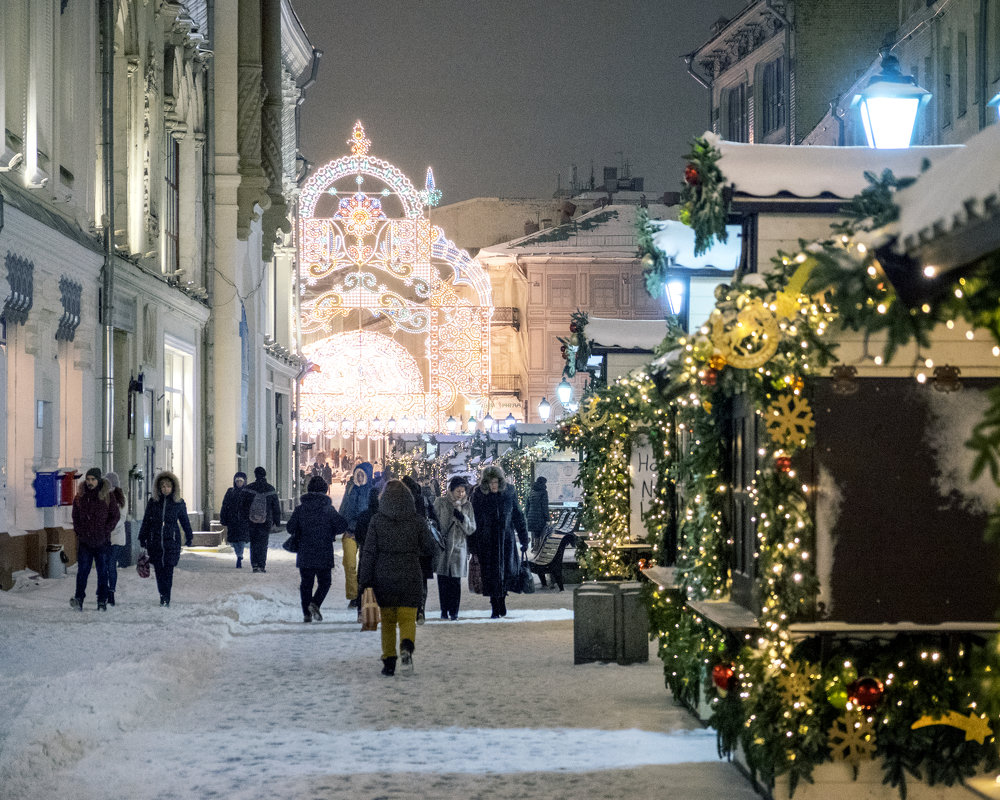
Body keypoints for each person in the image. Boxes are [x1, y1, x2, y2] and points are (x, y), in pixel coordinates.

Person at [358, 480, 437, 677]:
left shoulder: (377, 521)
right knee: (408, 617)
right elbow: (430, 548)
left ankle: (389, 661)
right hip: (410, 574)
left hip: (383, 576)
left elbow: (368, 553)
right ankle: (407, 646)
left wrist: (364, 580)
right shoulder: (417, 521)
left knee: (388, 621)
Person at [284, 476, 348, 623]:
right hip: (324, 551)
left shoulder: (301, 509)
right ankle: (315, 603)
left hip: (305, 551)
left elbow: (290, 528)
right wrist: (330, 531)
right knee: (325, 582)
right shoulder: (328, 509)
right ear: (325, 491)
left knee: (306, 583)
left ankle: (306, 613)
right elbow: (342, 525)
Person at [470, 465, 528, 619]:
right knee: (490, 575)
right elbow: (473, 520)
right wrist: (473, 544)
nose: (493, 485)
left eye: (495, 482)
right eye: (490, 482)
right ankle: (495, 605)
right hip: (486, 541)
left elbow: (518, 516)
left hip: (506, 541)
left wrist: (524, 538)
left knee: (505, 573)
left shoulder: (509, 492)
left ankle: (501, 600)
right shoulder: (478, 495)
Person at [138, 471, 193, 607]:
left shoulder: (178, 503)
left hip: (171, 541)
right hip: (155, 541)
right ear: (159, 488)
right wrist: (143, 536)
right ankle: (162, 593)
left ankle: (166, 596)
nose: (165, 489)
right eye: (163, 486)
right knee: (159, 570)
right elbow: (146, 520)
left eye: (168, 486)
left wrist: (189, 536)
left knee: (168, 570)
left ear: (173, 487)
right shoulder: (153, 502)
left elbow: (185, 520)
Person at [70, 467, 121, 611]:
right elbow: (75, 516)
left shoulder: (107, 496)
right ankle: (79, 598)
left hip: (102, 541)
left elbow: (115, 515)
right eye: (88, 479)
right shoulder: (80, 496)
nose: (90, 482)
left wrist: (106, 530)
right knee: (82, 571)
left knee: (102, 571)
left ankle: (102, 600)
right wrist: (79, 531)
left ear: (98, 480)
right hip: (85, 541)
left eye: (93, 479)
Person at [433, 476, 477, 620]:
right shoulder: (441, 502)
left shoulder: (467, 506)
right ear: (451, 490)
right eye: (458, 491)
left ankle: (454, 611)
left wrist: (462, 518)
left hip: (459, 547)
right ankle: (444, 610)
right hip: (443, 547)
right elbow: (435, 523)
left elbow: (471, 529)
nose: (461, 494)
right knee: (443, 580)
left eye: (463, 491)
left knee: (455, 582)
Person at [339, 462, 373, 607]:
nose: (359, 477)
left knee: (364, 566)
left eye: (362, 475)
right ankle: (353, 595)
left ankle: (361, 595)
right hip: (350, 531)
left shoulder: (372, 491)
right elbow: (344, 508)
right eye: (357, 474)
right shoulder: (350, 489)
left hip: (366, 533)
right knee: (349, 563)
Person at [239, 466, 282, 573]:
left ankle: (255, 564)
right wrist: (277, 521)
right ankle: (261, 565)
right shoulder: (270, 489)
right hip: (266, 520)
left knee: (254, 542)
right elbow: (275, 506)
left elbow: (243, 505)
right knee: (263, 542)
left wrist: (243, 518)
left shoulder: (249, 488)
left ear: (255, 475)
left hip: (251, 520)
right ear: (265, 475)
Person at [103, 471, 128, 606]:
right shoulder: (103, 497)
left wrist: (108, 527)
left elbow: (121, 518)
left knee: (111, 565)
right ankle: (104, 590)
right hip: (104, 538)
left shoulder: (122, 498)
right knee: (105, 565)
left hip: (116, 537)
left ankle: (111, 591)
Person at [219, 471, 250, 568]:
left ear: (244, 482)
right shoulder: (230, 492)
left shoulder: (248, 493)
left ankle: (239, 555)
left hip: (243, 521)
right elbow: (224, 506)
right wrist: (223, 517)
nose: (239, 483)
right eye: (237, 481)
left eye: (241, 481)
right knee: (234, 540)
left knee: (241, 539)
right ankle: (238, 554)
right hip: (232, 520)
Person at [525, 475, 550, 551]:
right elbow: (544, 506)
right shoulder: (543, 492)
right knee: (541, 531)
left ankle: (536, 546)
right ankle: (539, 547)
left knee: (536, 532)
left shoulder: (531, 491)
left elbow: (527, 505)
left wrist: (527, 515)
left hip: (531, 515)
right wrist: (547, 517)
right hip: (540, 516)